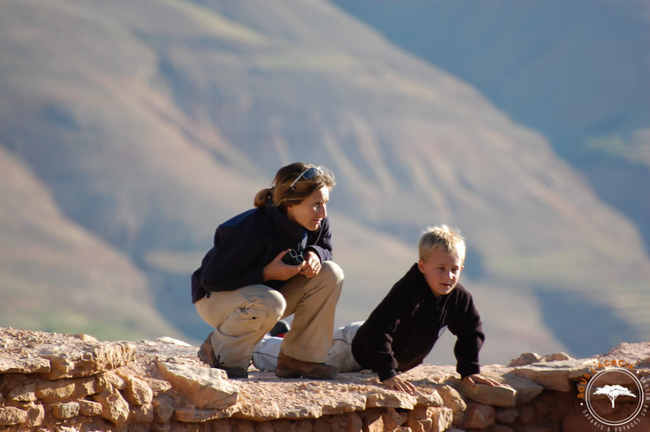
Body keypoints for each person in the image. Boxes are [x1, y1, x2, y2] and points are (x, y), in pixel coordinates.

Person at [252, 225, 499, 393]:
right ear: (422, 266)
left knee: (303, 350)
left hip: (380, 357)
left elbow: (471, 331)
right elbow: (377, 331)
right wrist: (388, 372)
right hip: (354, 348)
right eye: (441, 268)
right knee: (298, 358)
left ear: (462, 269)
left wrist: (469, 370)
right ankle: (256, 343)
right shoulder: (408, 291)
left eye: (455, 269)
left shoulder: (458, 298)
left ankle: (283, 333)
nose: (449, 275)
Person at [191, 162, 344, 380]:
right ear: (291, 203)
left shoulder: (316, 222)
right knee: (271, 302)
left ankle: (299, 359)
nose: (323, 212)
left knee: (331, 273)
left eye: (325, 203)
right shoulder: (250, 230)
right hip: (215, 298)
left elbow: (325, 248)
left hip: (266, 297)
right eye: (316, 204)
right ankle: (223, 355)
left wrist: (315, 254)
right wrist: (265, 273)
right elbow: (212, 279)